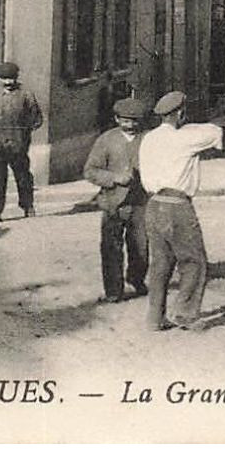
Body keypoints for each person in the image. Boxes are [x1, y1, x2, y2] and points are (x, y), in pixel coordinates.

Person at [137, 91, 223, 331]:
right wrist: (187, 127)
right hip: (177, 206)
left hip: (153, 204)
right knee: (194, 261)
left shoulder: (149, 139)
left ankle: (154, 318)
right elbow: (216, 132)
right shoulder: (185, 139)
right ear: (180, 114)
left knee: (160, 264)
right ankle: (185, 313)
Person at [83, 97, 150, 303]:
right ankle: (113, 290)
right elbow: (90, 170)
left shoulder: (148, 139)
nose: (130, 125)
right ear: (116, 119)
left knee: (141, 246)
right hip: (113, 203)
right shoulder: (107, 140)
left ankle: (136, 279)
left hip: (141, 202)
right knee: (111, 247)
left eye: (135, 121)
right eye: (125, 121)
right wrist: (113, 178)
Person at [0, 60, 43, 222]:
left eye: (12, 78)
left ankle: (28, 206)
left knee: (23, 176)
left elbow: (37, 118)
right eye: (4, 79)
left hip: (18, 144)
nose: (9, 82)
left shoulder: (26, 93)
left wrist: (24, 131)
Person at [207, 5, 225, 102]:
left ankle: (219, 91)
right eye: (217, 12)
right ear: (213, 12)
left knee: (220, 71)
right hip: (212, 51)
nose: (219, 14)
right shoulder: (210, 23)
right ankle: (212, 93)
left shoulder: (224, 23)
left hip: (221, 52)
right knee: (213, 71)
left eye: (221, 12)